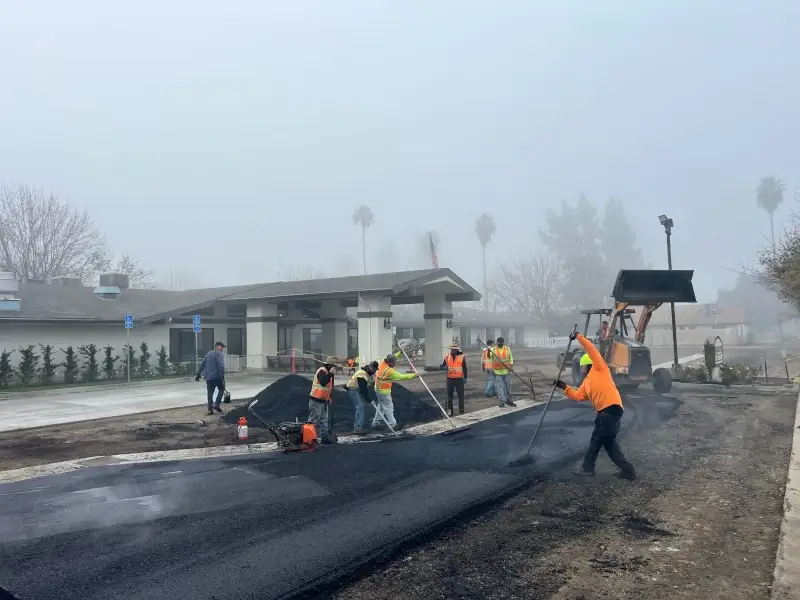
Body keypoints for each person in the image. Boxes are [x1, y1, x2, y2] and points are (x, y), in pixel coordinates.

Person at [554, 332, 637, 480]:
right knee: (609, 444)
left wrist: (578, 337)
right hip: (609, 412)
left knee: (596, 439)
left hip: (609, 409)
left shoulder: (600, 368)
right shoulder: (586, 382)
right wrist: (563, 386)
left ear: (587, 365)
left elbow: (591, 349)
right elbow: (578, 396)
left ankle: (587, 468)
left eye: (582, 367)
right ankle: (628, 471)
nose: (581, 370)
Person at [373, 353, 418, 430]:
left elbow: (394, 356)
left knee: (381, 407)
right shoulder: (389, 371)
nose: (394, 364)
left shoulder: (382, 363)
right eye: (393, 362)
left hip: (378, 389)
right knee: (388, 407)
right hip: (383, 391)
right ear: (390, 362)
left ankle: (375, 423)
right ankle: (393, 425)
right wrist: (414, 375)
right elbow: (401, 377)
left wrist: (400, 352)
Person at [308, 357, 338, 444]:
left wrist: (329, 397)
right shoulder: (322, 371)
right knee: (314, 420)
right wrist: (330, 374)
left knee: (324, 420)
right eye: (334, 366)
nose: (335, 368)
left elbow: (329, 387)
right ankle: (309, 439)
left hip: (323, 400)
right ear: (330, 365)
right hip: (316, 399)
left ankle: (324, 438)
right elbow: (323, 382)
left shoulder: (329, 373)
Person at [345, 360, 379, 433]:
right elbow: (364, 390)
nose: (375, 371)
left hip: (357, 389)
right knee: (360, 406)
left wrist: (369, 399)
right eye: (374, 369)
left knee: (360, 406)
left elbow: (365, 388)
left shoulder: (367, 372)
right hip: (353, 389)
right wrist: (369, 400)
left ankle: (359, 425)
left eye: (376, 370)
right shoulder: (362, 374)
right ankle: (357, 428)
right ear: (370, 367)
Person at [195, 341, 226, 416]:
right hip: (217, 376)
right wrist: (222, 374)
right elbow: (221, 365)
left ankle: (210, 409)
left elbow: (203, 363)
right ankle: (216, 404)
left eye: (222, 347)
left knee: (210, 393)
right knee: (221, 389)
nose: (222, 348)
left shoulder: (208, 353)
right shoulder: (220, 354)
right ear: (216, 346)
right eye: (221, 346)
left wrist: (198, 373)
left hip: (209, 377)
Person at [440, 343, 467, 416]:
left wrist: (465, 377)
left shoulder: (461, 357)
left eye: (454, 349)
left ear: (457, 350)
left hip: (459, 378)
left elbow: (464, 368)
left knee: (460, 395)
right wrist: (443, 367)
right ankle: (450, 411)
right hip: (450, 378)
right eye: (452, 349)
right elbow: (442, 366)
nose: (453, 351)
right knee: (449, 396)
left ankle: (461, 410)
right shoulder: (447, 357)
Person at [491, 337, 516, 408]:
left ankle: (509, 401)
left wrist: (511, 367)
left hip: (506, 371)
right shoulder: (493, 349)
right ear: (497, 343)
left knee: (508, 388)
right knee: (500, 388)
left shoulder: (507, 349)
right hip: (497, 372)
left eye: (501, 343)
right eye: (499, 343)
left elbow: (511, 358)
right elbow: (489, 357)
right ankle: (502, 402)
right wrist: (489, 352)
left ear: (503, 343)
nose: (500, 344)